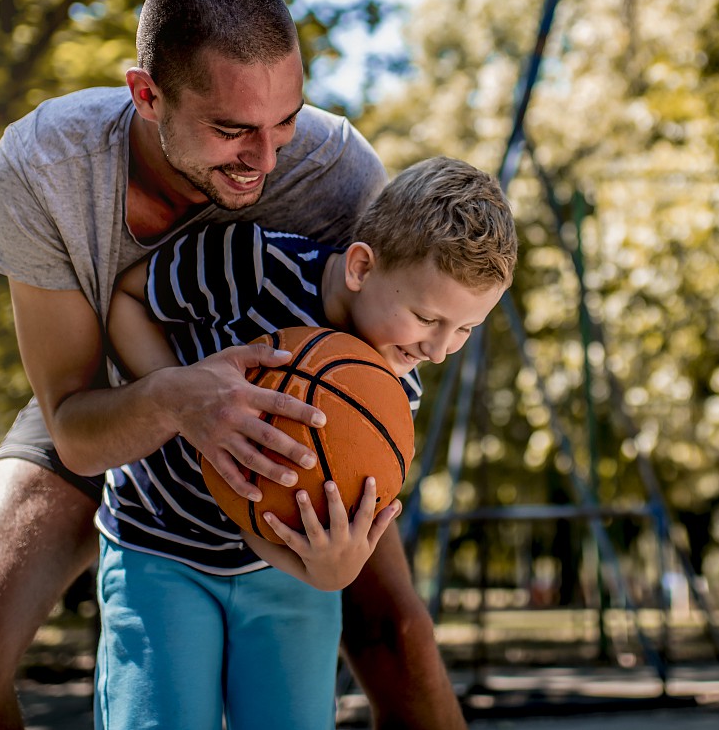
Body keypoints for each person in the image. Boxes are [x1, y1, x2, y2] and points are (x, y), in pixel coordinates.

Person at [0, 0, 467, 730]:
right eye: (233, 129)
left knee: (398, 636)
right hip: (110, 395)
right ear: (147, 95)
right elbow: (73, 422)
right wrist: (181, 394)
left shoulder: (339, 169)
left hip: (290, 411)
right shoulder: (45, 165)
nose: (266, 157)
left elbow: (380, 366)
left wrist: (333, 543)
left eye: (285, 121)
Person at [95, 157, 515, 728]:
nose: (439, 350)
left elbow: (321, 525)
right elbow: (130, 298)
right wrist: (182, 400)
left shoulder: (393, 393)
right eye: (425, 317)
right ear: (362, 266)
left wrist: (329, 571)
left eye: (464, 330)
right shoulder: (253, 264)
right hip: (160, 546)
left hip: (285, 579)